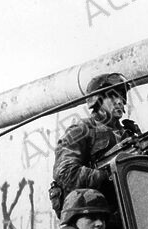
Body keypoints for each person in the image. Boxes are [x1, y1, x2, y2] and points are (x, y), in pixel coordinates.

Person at [50, 72, 140, 215]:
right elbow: (66, 173)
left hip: (130, 218)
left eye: (122, 96)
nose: (120, 101)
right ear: (97, 100)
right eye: (112, 96)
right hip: (94, 217)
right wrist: (110, 174)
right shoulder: (81, 130)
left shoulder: (129, 134)